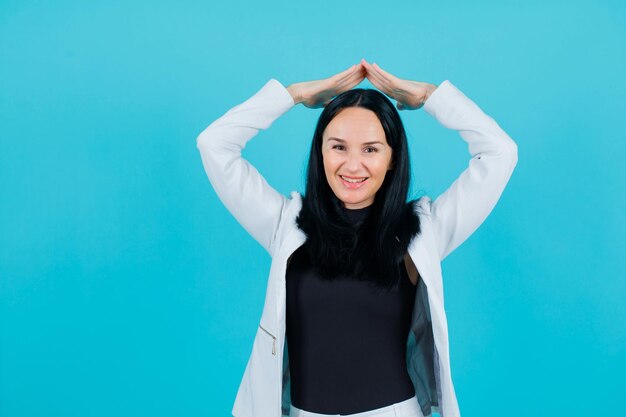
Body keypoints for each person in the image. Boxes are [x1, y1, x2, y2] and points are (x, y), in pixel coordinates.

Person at [196, 59, 518, 417]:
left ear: (393, 158)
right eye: (338, 147)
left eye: (370, 149)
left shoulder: (423, 231)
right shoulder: (286, 225)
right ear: (320, 152)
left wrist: (430, 96)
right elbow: (214, 145)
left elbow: (499, 153)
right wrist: (294, 95)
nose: (352, 165)